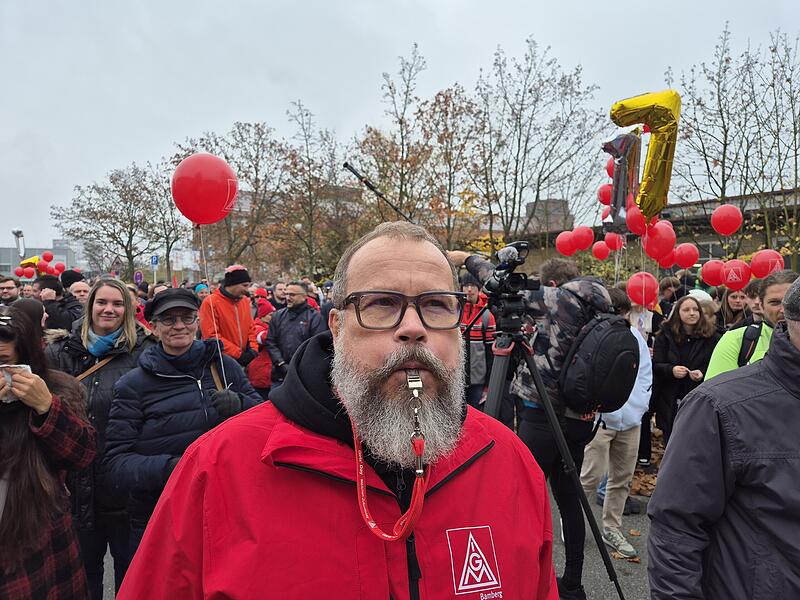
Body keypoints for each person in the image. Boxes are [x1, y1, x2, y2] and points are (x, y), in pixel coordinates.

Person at [117, 222, 557, 600]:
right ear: (337, 324)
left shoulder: (510, 462)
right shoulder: (218, 468)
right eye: (381, 304)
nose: (413, 327)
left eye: (436, 305)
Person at [451, 252, 609, 600]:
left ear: (552, 284)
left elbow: (499, 283)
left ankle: (522, 577)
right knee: (568, 498)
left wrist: (466, 259)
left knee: (518, 493)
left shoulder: (561, 300)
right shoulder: (601, 302)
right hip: (581, 417)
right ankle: (574, 581)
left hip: (543, 414)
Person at [648, 276, 800, 599]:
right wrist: (674, 372)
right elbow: (677, 526)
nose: (691, 314)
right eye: (685, 309)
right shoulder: (719, 405)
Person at [104, 289, 261, 559]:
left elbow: (265, 423)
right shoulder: (133, 385)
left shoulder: (224, 367)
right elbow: (117, 464)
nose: (179, 326)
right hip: (161, 516)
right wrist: (175, 467)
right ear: (153, 327)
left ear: (198, 321)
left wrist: (241, 405)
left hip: (226, 509)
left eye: (187, 318)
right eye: (168, 319)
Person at [45, 278, 155, 600]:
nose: (109, 309)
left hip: (125, 488)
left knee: (130, 572)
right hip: (73, 487)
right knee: (81, 577)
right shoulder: (59, 352)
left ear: (129, 310)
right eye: (102, 302)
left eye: (117, 304)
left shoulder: (144, 353)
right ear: (89, 305)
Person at [0, 306, 97, 599]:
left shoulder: (56, 389)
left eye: (3, 361)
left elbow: (82, 455)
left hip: (37, 542)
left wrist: (46, 408)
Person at [580, 288, 651, 559]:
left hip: (630, 420)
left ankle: (612, 527)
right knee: (591, 475)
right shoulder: (592, 335)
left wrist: (637, 409)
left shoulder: (636, 338)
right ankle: (573, 519)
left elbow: (644, 375)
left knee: (621, 478)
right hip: (600, 420)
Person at [651, 295, 720, 444]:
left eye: (696, 309)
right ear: (678, 313)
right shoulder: (665, 335)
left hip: (699, 394)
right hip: (670, 395)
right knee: (671, 437)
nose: (692, 313)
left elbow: (715, 362)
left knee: (695, 437)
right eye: (686, 310)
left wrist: (703, 372)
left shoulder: (712, 336)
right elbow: (656, 364)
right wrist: (671, 370)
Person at [706, 270, 799, 380]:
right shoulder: (737, 340)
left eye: (790, 302)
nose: (783, 309)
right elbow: (716, 392)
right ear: (761, 306)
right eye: (774, 302)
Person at [265, 280, 325, 387]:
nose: (288, 298)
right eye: (286, 294)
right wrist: (280, 363)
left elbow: (316, 346)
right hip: (279, 376)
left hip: (303, 377)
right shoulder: (278, 316)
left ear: (304, 296)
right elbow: (270, 341)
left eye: (292, 295)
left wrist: (299, 367)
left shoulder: (315, 318)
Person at [198, 265, 258, 367]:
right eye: (244, 285)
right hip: (220, 361)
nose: (247, 290)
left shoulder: (244, 301)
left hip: (243, 361)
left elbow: (251, 328)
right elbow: (212, 336)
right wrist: (238, 355)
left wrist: (253, 349)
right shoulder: (211, 302)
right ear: (232, 284)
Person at [459, 272, 495, 409]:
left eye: (473, 286)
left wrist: (488, 384)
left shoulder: (486, 316)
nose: (469, 290)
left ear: (479, 289)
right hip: (456, 380)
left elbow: (490, 353)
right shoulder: (454, 313)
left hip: (478, 381)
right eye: (466, 286)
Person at [248, 299, 275, 400]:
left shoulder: (268, 326)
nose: (273, 317)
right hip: (260, 372)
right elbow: (263, 337)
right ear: (262, 316)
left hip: (266, 372)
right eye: (270, 315)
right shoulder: (257, 327)